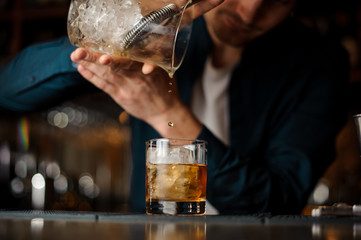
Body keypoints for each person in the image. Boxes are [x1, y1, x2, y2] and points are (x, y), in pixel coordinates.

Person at [0, 0, 350, 214]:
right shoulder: (158, 29)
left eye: (277, 0)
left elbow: (277, 203)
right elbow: (9, 91)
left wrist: (165, 115)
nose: (250, 11)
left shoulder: (319, 63)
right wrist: (118, 29)